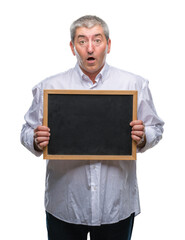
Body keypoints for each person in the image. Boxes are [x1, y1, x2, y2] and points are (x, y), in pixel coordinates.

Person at [21, 15, 164, 240]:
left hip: (115, 206)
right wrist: (35, 140)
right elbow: (26, 131)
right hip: (65, 205)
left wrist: (144, 136)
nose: (90, 48)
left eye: (97, 40)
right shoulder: (50, 87)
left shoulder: (133, 84)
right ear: (72, 47)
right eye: (82, 41)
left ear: (108, 44)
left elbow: (156, 127)